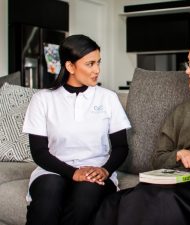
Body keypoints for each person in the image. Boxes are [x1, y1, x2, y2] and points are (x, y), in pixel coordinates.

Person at [91, 39, 190, 225]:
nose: (187, 70)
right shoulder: (182, 111)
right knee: (114, 201)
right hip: (171, 179)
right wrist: (179, 154)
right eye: (188, 63)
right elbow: (158, 157)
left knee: (159, 200)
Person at [22, 34, 131, 225]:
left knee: (85, 196)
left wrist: (105, 170)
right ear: (70, 66)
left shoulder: (108, 98)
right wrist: (73, 173)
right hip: (52, 169)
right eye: (90, 64)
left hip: (95, 170)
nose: (97, 70)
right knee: (48, 193)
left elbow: (121, 147)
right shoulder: (43, 99)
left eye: (98, 62)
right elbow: (38, 152)